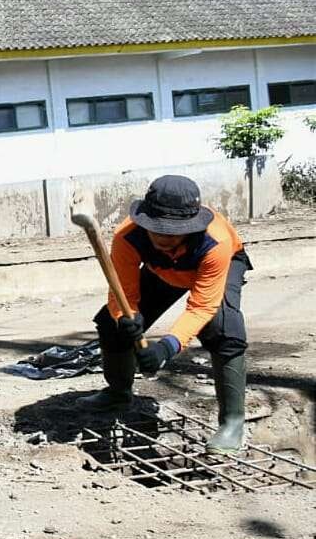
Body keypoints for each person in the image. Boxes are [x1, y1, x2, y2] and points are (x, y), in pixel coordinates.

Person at [77, 175, 251, 454]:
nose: (162, 237)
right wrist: (125, 316)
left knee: (223, 329)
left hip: (219, 268)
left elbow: (201, 307)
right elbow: (121, 291)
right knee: (112, 325)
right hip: (164, 272)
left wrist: (165, 348)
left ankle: (232, 422)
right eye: (156, 229)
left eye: (173, 231)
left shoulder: (215, 243)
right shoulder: (127, 236)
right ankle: (118, 393)